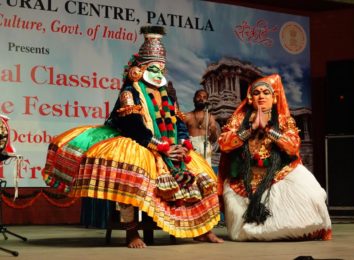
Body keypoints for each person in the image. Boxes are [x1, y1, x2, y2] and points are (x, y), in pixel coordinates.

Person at [42, 26, 223, 248]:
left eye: (162, 70)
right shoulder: (130, 93)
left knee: (204, 176)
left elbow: (178, 123)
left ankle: (202, 230)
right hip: (141, 144)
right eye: (154, 69)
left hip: (171, 147)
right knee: (129, 179)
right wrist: (162, 147)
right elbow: (132, 126)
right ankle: (131, 233)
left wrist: (183, 144)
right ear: (139, 69)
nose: (158, 74)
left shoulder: (168, 96)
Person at [217, 74, 332, 241]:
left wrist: (269, 130)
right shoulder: (239, 119)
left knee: (313, 194)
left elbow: (293, 147)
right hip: (245, 179)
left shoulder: (283, 119)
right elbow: (224, 144)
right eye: (257, 93)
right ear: (250, 98)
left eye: (266, 92)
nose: (261, 96)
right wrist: (252, 128)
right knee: (240, 233)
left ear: (274, 97)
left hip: (279, 174)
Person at [183, 89, 217, 166]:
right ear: (194, 99)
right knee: (192, 171)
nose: (201, 99)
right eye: (199, 96)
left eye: (204, 97)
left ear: (206, 101)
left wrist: (213, 132)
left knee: (206, 171)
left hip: (206, 146)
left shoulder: (210, 117)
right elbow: (181, 135)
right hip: (191, 146)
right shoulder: (187, 116)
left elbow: (214, 139)